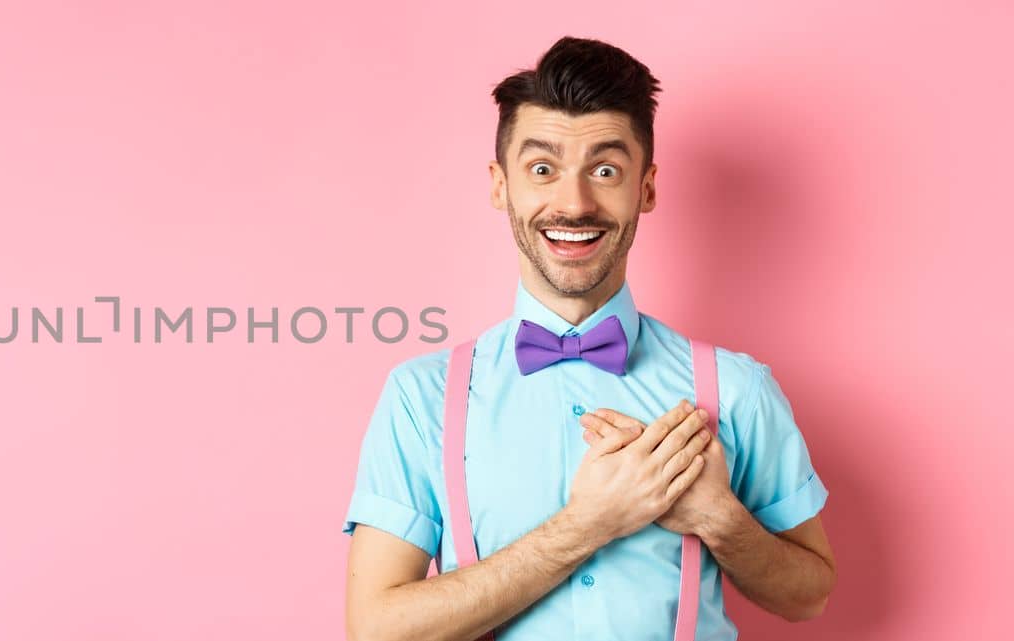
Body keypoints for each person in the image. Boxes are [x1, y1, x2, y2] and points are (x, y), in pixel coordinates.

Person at [340, 36, 836, 641]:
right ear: (501, 186)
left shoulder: (736, 388)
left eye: (605, 170)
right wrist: (587, 524)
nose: (573, 204)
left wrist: (721, 519)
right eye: (542, 169)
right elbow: (378, 630)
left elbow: (809, 596)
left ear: (645, 189)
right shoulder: (422, 398)